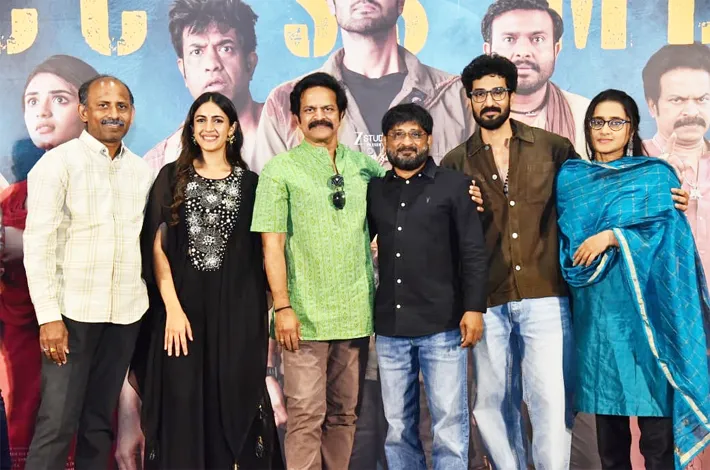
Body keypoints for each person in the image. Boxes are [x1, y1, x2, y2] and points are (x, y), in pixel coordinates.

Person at [556, 88, 710, 469]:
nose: (605, 130)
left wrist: (613, 237)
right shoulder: (573, 179)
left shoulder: (655, 176)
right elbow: (571, 243)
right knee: (611, 447)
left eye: (615, 122)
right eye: (597, 122)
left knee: (657, 444)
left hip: (651, 321)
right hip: (600, 320)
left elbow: (671, 240)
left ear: (631, 128)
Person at [130, 91, 282, 469]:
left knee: (237, 403)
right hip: (181, 317)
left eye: (217, 120)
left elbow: (265, 252)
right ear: (191, 129)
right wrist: (172, 309)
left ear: (231, 129)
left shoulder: (252, 185)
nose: (209, 127)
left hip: (238, 319)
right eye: (201, 120)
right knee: (181, 404)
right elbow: (156, 250)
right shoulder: (170, 178)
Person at [441, 53, 577, 470]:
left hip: (545, 292)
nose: (489, 101)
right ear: (469, 99)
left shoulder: (552, 148)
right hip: (487, 299)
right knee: (491, 403)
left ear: (511, 94)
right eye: (479, 94)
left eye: (497, 91)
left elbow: (592, 197)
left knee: (550, 401)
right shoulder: (455, 162)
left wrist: (657, 195)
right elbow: (444, 235)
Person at [251, 71, 385, 470]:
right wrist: (282, 307)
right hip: (303, 317)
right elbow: (271, 245)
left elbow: (404, 198)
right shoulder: (280, 171)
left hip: (355, 314)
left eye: (327, 108)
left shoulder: (364, 168)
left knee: (344, 414)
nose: (319, 116)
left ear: (341, 115)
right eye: (309, 110)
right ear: (296, 118)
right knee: (306, 415)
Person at [22, 75, 152, 469]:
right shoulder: (57, 165)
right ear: (83, 112)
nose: (114, 114)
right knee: (57, 423)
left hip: (124, 316)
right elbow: (38, 245)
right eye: (103, 105)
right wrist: (49, 317)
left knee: (99, 425)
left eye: (121, 106)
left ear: (131, 114)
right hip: (71, 317)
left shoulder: (142, 171)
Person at [366, 103, 487, 470]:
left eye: (415, 134)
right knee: (397, 428)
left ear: (429, 139)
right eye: (398, 135)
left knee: (449, 425)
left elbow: (473, 251)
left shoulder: (455, 185)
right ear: (385, 141)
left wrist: (474, 308)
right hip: (391, 327)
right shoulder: (374, 190)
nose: (407, 142)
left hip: (443, 326)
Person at [0, 54, 98, 470]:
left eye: (59, 99)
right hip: (17, 360)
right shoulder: (11, 197)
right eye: (31, 100)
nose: (41, 111)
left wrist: (25, 245)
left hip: (82, 345)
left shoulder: (107, 183)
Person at [252, 0, 473, 172]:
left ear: (401, 3)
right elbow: (267, 207)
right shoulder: (285, 103)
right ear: (331, 4)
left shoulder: (458, 97)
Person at [639, 42, 710, 470]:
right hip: (655, 326)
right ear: (653, 105)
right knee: (657, 443)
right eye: (678, 100)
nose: (692, 111)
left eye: (702, 98)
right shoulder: (634, 165)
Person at [143, 0, 263, 173]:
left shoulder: (290, 134)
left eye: (225, 48)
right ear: (183, 70)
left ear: (250, 63)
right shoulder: (158, 164)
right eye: (197, 51)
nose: (212, 64)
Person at [481, 0, 590, 155]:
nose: (523, 52)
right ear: (488, 51)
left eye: (537, 39)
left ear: (556, 50)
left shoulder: (586, 116)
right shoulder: (458, 115)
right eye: (509, 39)